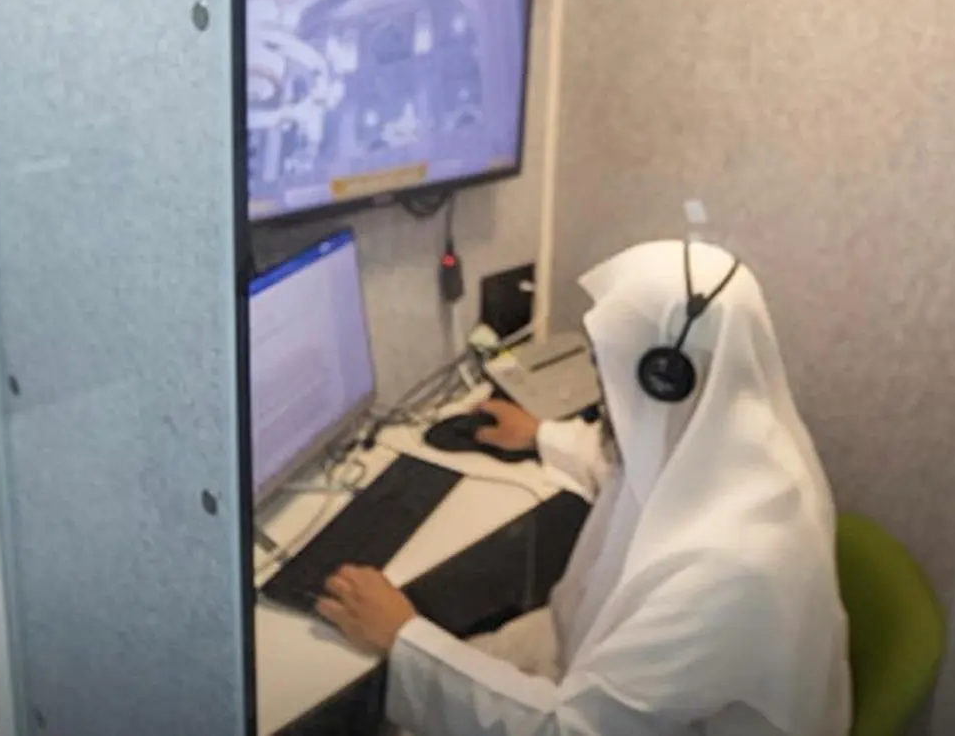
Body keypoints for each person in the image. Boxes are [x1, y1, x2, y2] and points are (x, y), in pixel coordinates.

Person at [317, 239, 852, 736]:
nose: (602, 391)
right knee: (442, 671)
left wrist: (404, 637)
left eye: (609, 369)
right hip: (608, 674)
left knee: (404, 686)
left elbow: (569, 730)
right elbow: (631, 474)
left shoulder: (727, 572)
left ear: (664, 379)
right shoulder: (743, 446)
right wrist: (541, 435)